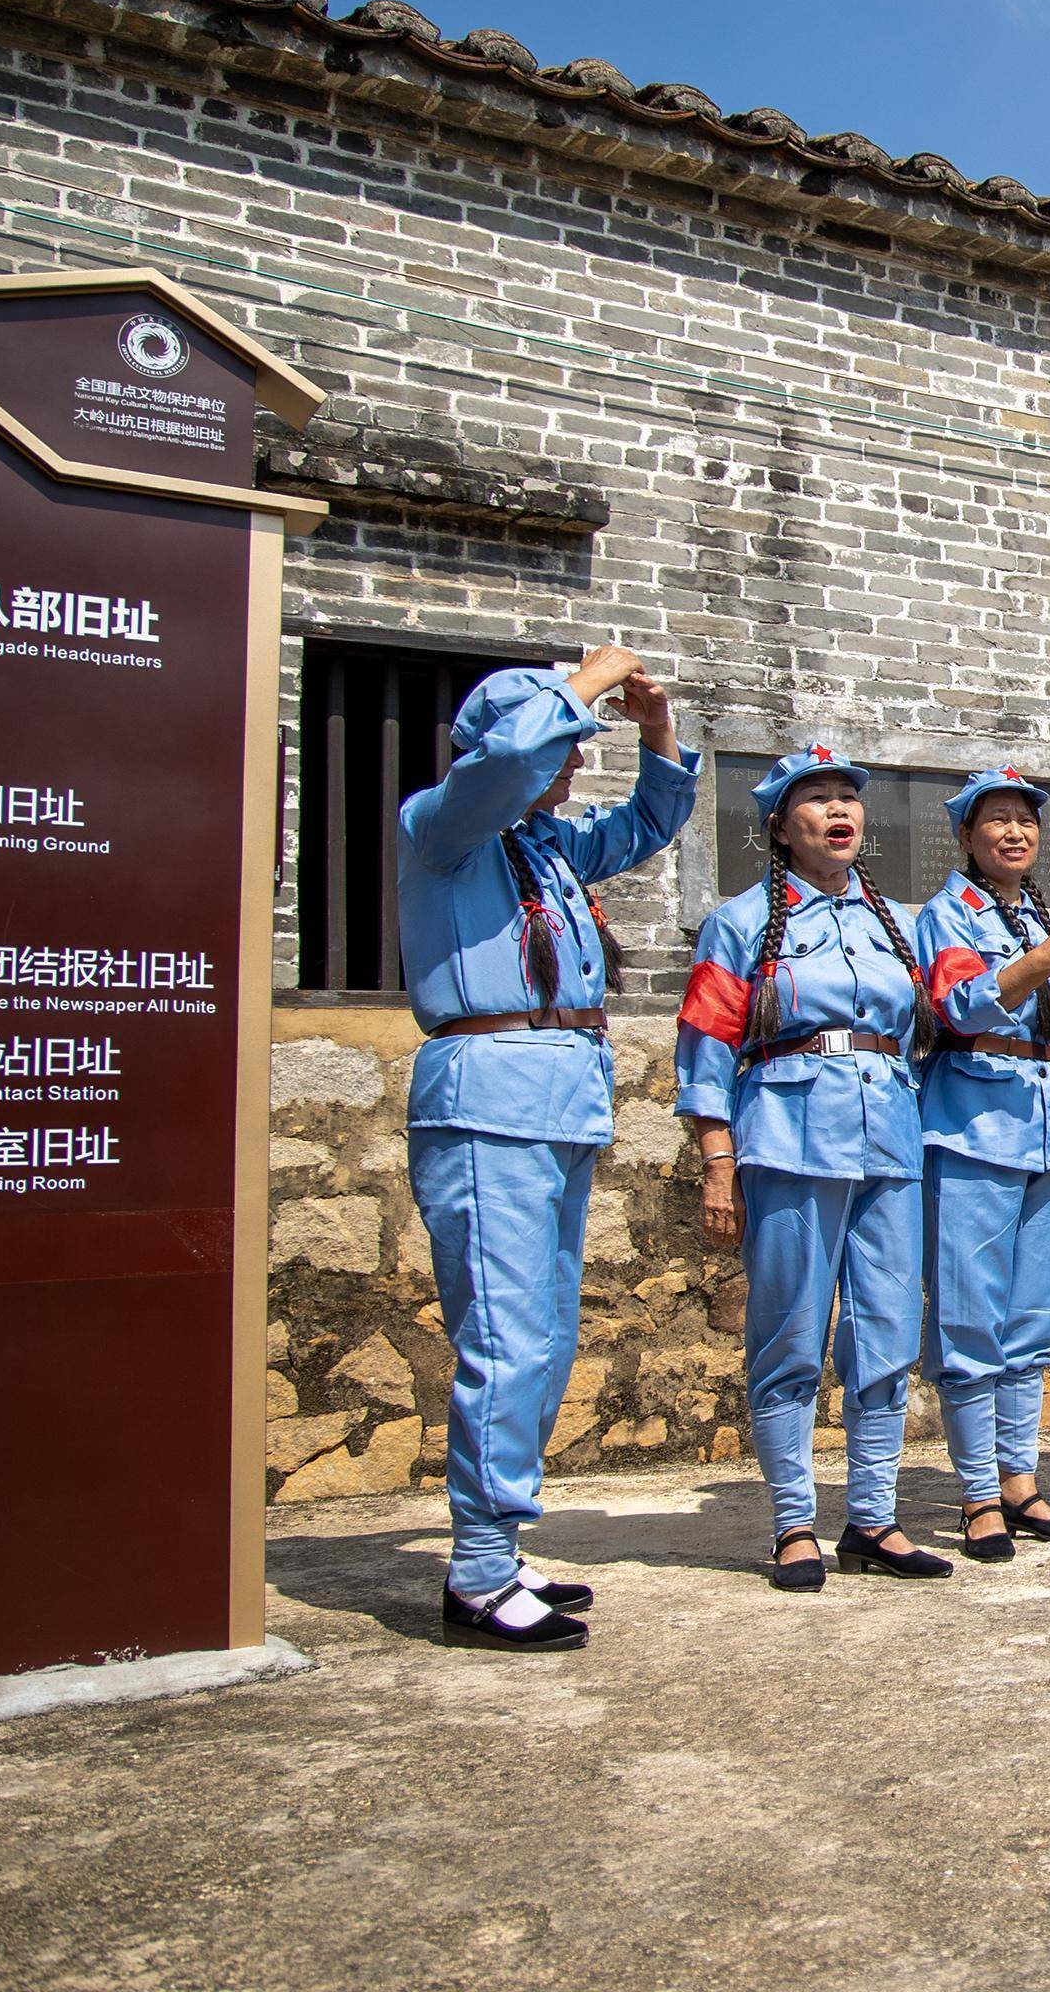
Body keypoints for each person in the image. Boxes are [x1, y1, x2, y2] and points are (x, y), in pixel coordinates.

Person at [398, 650, 696, 1651]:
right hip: (487, 1096)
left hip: (558, 1102)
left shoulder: (544, 847)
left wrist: (656, 732)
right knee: (506, 1335)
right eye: (564, 744)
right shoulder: (444, 823)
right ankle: (479, 1570)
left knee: (544, 1332)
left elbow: (648, 824)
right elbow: (498, 774)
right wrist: (581, 681)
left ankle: (501, 1542)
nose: (573, 763)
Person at [677, 747, 948, 1587]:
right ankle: (793, 1520)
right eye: (817, 798)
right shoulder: (740, 922)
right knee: (793, 1333)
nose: (839, 808)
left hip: (890, 1142)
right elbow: (706, 1049)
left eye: (847, 797)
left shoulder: (890, 919)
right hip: (790, 1139)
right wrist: (718, 1164)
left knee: (887, 1334)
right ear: (779, 826)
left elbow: (919, 1032)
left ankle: (872, 1518)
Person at [915, 767, 1050, 1564]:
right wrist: (1047, 957)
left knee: (1031, 1321)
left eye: (1025, 822)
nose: (1014, 833)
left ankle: (1020, 1483)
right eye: (996, 820)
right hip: (968, 1130)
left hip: (1039, 1139)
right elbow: (957, 1007)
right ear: (966, 837)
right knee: (969, 1319)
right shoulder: (943, 916)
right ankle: (975, 1496)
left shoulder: (1039, 917)